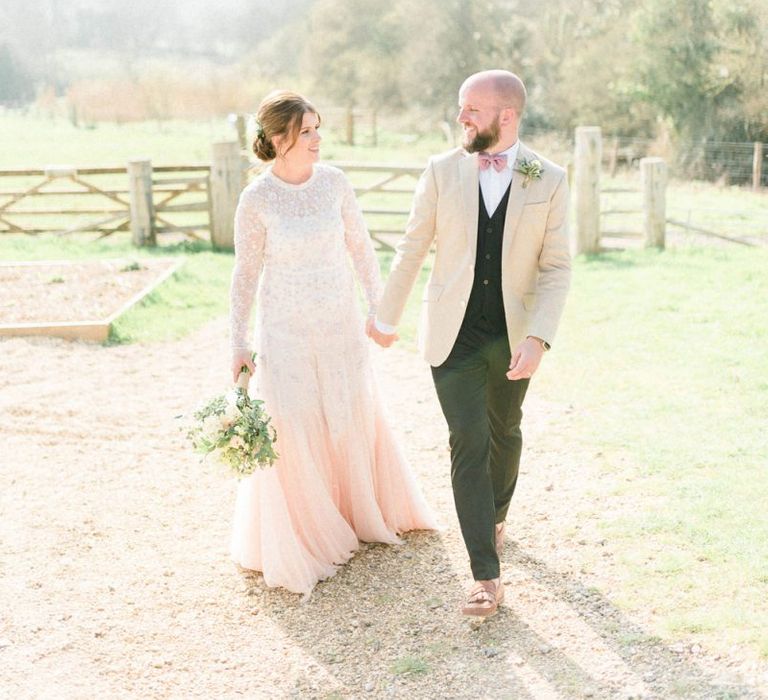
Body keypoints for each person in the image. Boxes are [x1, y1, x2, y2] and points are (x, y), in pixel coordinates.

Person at [368, 70, 571, 617]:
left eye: (472, 110)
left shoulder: (547, 178)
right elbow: (412, 248)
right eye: (461, 107)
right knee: (468, 438)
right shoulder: (440, 172)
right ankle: (485, 574)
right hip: (451, 334)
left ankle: (495, 515)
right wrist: (386, 316)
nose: (461, 117)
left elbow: (556, 269)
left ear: (507, 117)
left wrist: (539, 338)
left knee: (505, 432)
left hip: (513, 334)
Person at [229, 90, 437, 596]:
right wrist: (236, 340)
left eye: (319, 128)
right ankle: (307, 532)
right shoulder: (256, 199)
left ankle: (359, 512)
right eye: (307, 131)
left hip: (339, 323)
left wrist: (379, 310)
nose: (318, 139)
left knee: (346, 411)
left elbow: (362, 250)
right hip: (284, 329)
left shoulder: (335, 184)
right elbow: (245, 274)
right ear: (279, 138)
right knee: (294, 418)